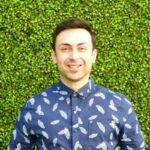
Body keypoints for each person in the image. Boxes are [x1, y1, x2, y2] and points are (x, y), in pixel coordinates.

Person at [8, 18, 146, 150]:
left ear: (93, 55)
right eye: (65, 48)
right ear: (54, 56)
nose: (74, 56)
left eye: (81, 48)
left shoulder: (120, 105)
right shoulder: (34, 106)